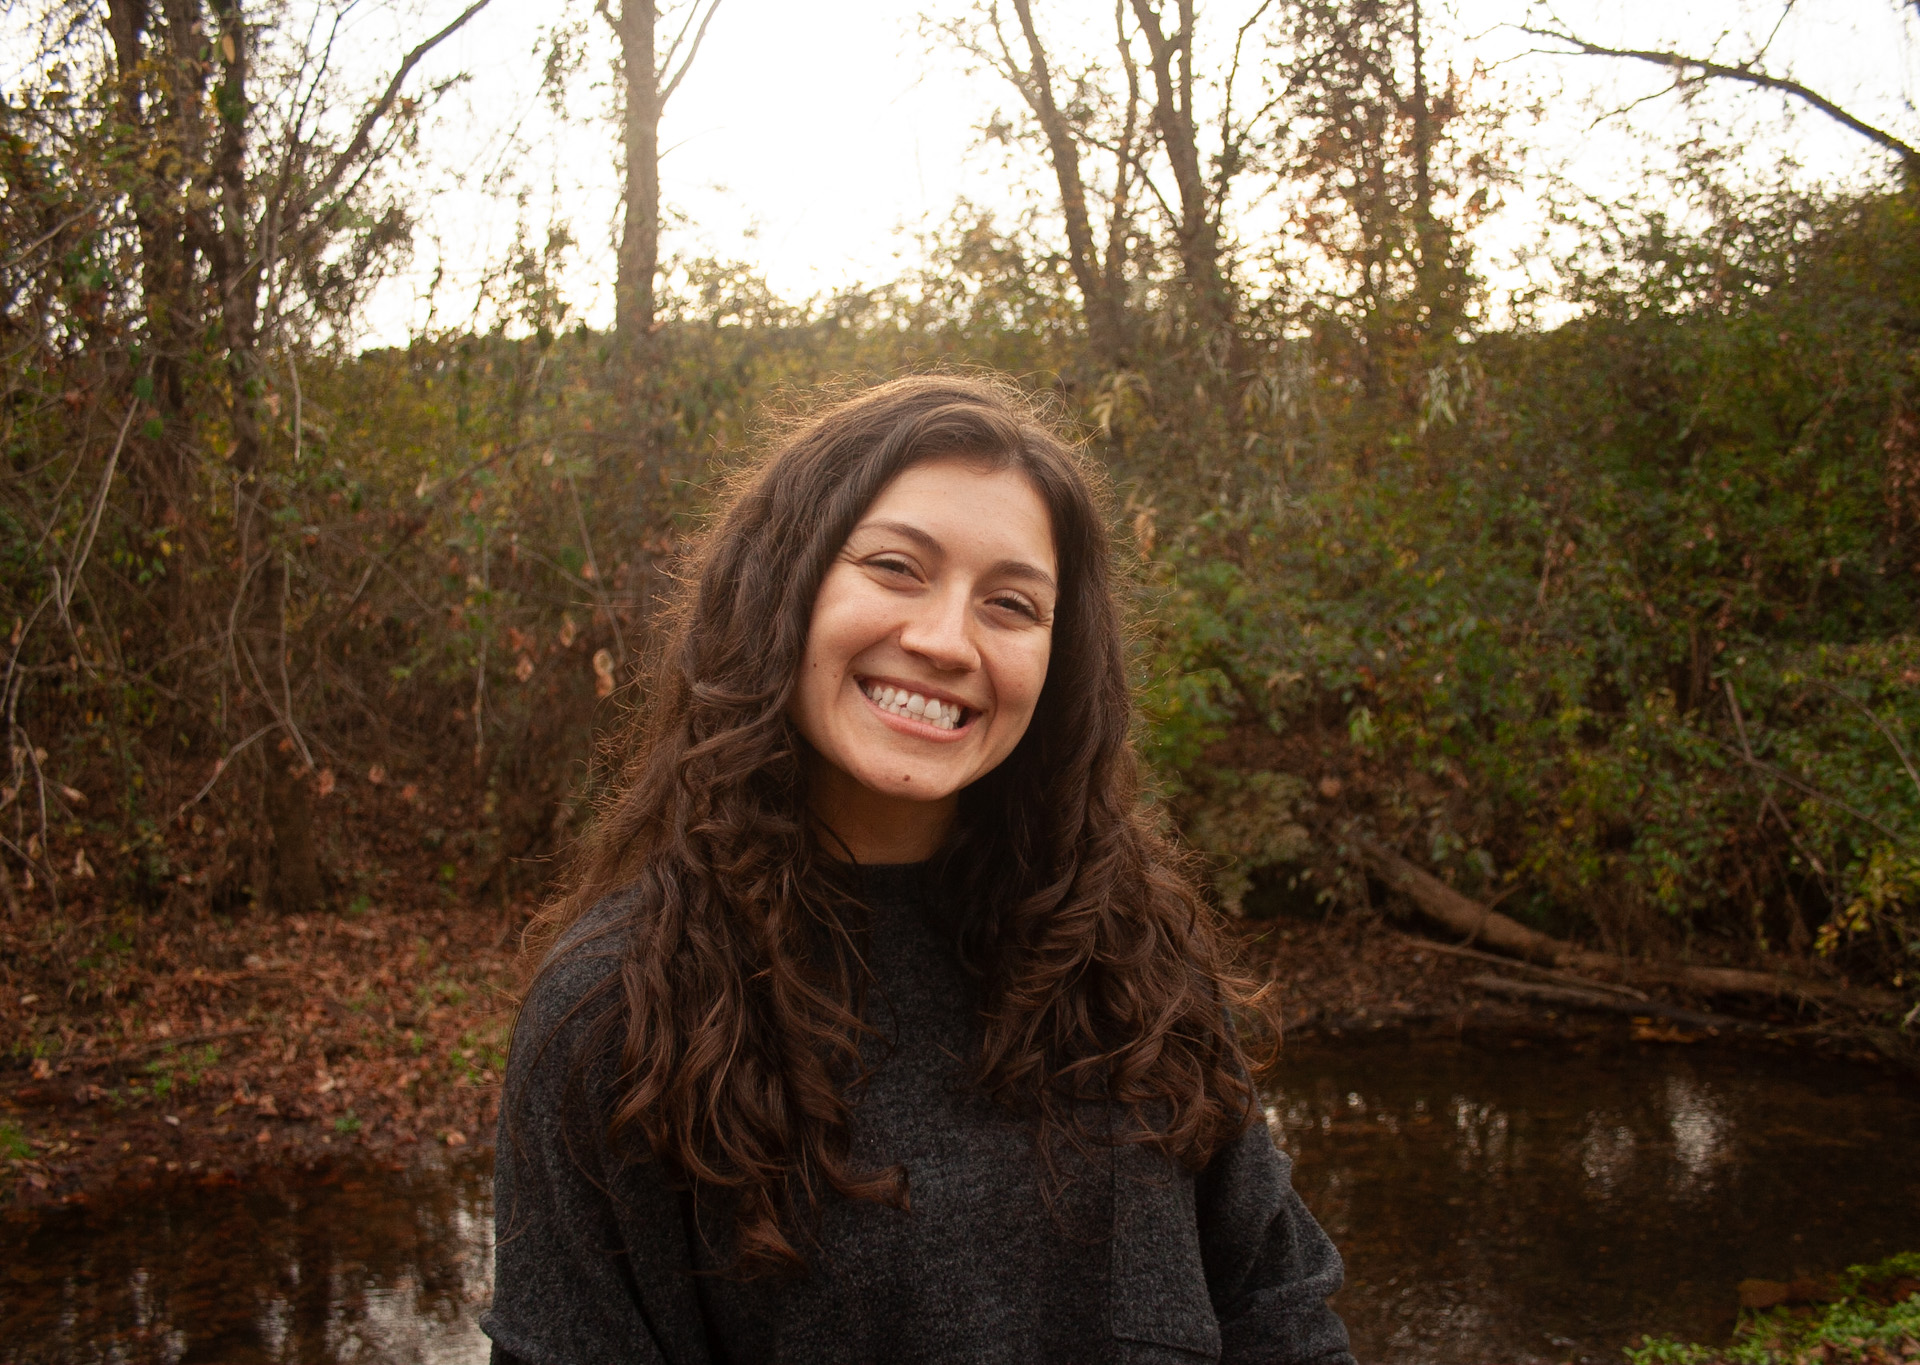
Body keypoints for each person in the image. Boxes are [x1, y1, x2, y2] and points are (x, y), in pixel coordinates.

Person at [481, 375, 1353, 1365]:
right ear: (785, 588)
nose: (944, 641)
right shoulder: (612, 1011)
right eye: (896, 567)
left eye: (1010, 604)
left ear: (1058, 657)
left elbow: (1276, 1306)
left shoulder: (1132, 947)